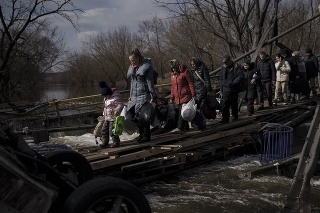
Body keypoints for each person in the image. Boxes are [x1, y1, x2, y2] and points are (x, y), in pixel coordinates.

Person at [127, 48, 157, 143]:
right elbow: (132, 83)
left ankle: (146, 135)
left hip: (144, 94)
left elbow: (150, 82)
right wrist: (130, 94)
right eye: (130, 61)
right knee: (132, 115)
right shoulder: (133, 67)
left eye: (133, 60)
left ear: (138, 58)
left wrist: (153, 96)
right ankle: (141, 133)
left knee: (143, 115)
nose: (132, 62)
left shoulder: (146, 66)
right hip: (135, 95)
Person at [169, 59, 196, 131]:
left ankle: (179, 128)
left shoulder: (185, 72)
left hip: (185, 95)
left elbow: (191, 83)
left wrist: (193, 94)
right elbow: (173, 87)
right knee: (182, 113)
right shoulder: (173, 75)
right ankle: (185, 129)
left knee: (182, 113)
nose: (174, 69)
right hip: (178, 97)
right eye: (172, 68)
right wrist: (171, 97)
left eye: (175, 67)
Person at [219, 55, 244, 124]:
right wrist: (221, 89)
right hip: (225, 89)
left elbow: (241, 76)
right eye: (224, 63)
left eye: (226, 62)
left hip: (233, 89)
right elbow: (221, 79)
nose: (225, 64)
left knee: (234, 104)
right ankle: (225, 118)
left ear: (230, 61)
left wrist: (233, 83)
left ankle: (234, 116)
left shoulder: (236, 67)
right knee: (225, 104)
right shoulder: (223, 68)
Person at [99, 81, 124, 148]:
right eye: (104, 96)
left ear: (109, 94)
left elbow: (120, 105)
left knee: (112, 131)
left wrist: (117, 110)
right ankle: (105, 142)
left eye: (106, 95)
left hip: (113, 118)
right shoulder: (105, 99)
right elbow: (105, 108)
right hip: (106, 118)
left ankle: (116, 142)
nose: (105, 97)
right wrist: (103, 115)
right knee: (104, 130)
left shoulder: (115, 98)